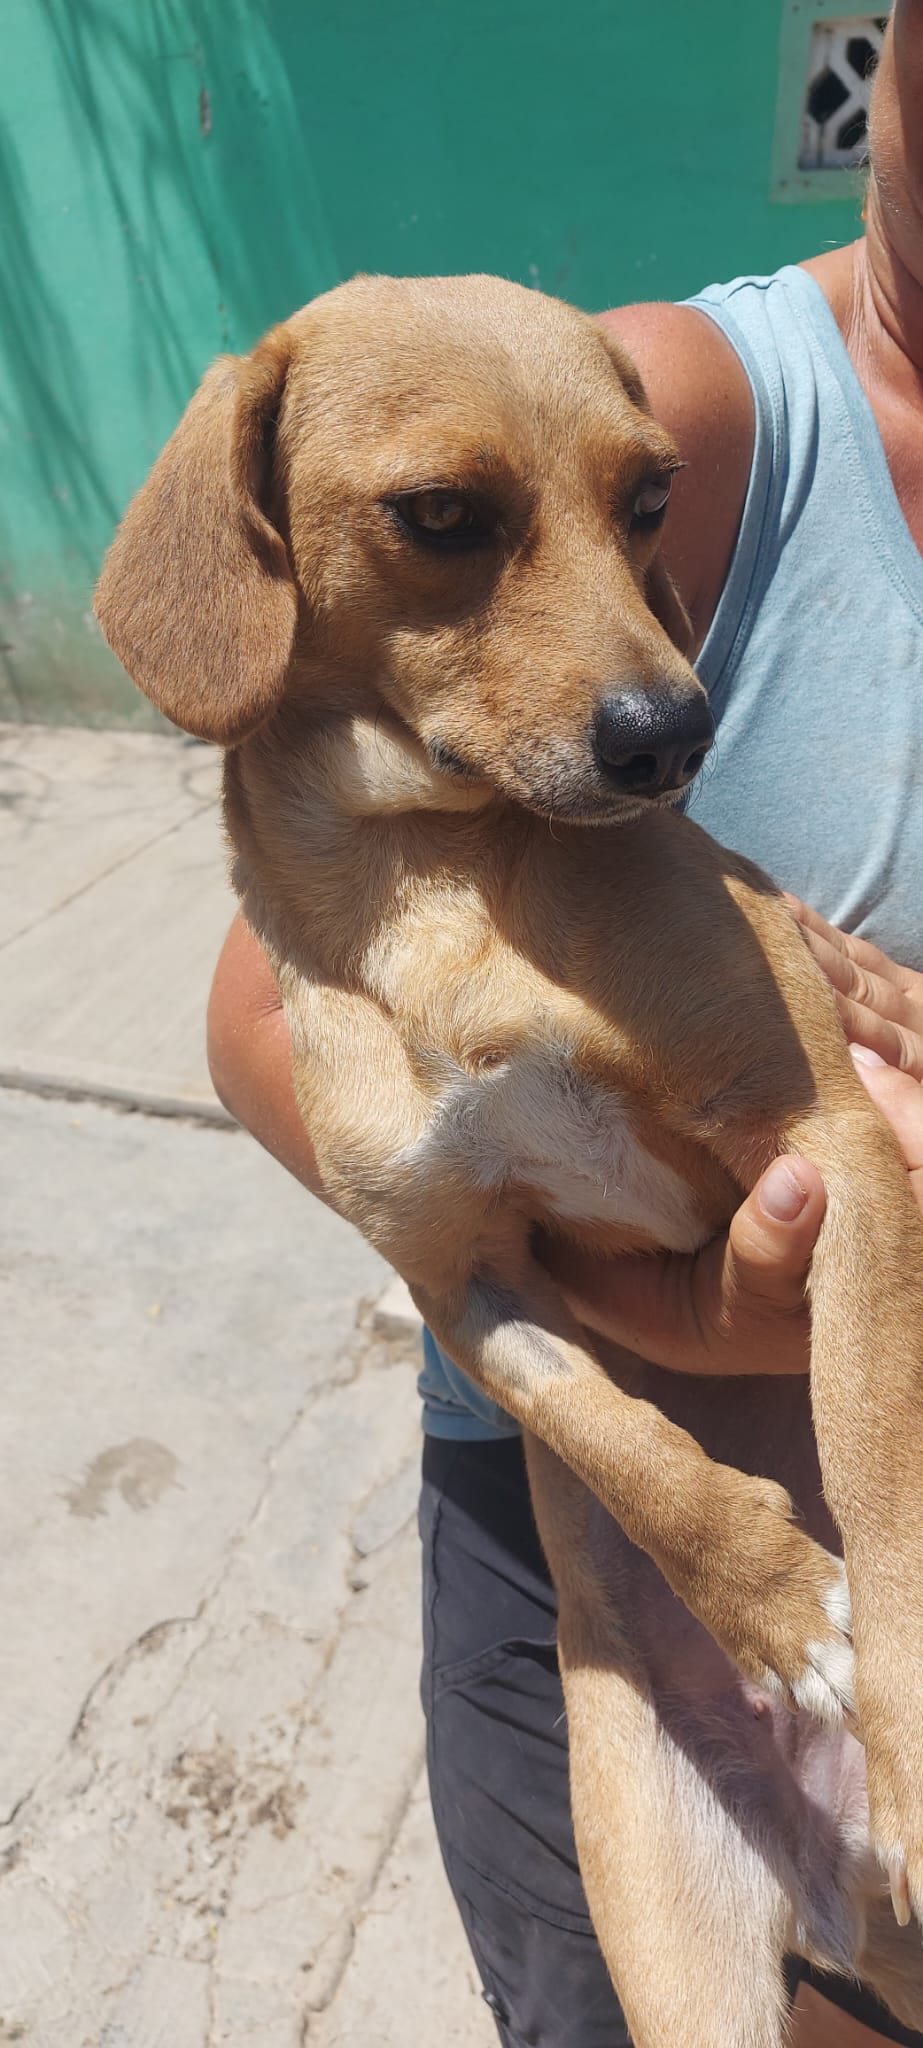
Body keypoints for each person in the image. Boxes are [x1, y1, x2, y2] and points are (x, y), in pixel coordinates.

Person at [206, 5, 923, 2039]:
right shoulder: (681, 390)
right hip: (622, 1580)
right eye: (454, 522)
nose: (647, 677)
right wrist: (679, 1336)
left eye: (629, 519)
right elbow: (266, 1024)